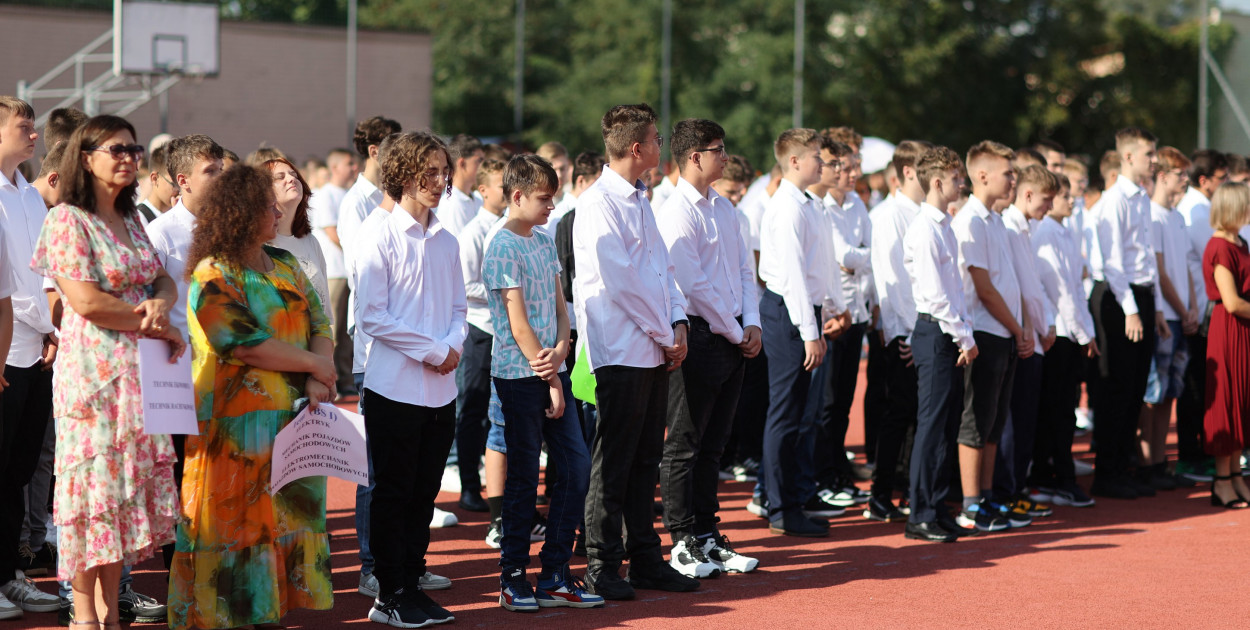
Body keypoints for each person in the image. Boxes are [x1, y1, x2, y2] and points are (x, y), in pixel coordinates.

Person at [31, 114, 184, 628]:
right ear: (85, 157)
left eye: (133, 149)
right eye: (115, 148)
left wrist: (161, 306)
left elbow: (161, 277)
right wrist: (154, 321)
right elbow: (86, 301)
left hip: (139, 375)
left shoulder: (133, 216)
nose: (127, 157)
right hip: (93, 380)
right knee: (91, 493)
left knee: (120, 496)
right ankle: (86, 618)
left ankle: (111, 618)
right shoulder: (67, 220)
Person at [167, 164, 335, 629]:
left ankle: (268, 614)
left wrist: (320, 374)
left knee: (280, 526)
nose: (277, 208)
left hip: (293, 420)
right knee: (234, 529)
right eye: (266, 204)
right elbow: (238, 341)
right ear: (240, 212)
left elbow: (321, 324)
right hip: (234, 428)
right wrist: (315, 366)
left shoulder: (285, 263)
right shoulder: (213, 272)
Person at [574, 103, 694, 599]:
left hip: (653, 346)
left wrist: (678, 319)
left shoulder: (641, 199)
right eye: (657, 138)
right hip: (621, 349)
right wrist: (665, 333)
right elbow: (621, 282)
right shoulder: (597, 202)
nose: (662, 146)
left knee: (647, 458)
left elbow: (662, 269)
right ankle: (602, 563)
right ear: (637, 147)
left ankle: (645, 557)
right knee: (615, 460)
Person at [356, 131, 462, 628]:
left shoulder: (448, 239)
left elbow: (459, 308)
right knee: (393, 492)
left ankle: (412, 584)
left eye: (443, 171)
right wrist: (435, 351)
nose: (439, 181)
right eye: (429, 172)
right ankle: (389, 592)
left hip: (441, 388)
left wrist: (454, 345)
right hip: (394, 387)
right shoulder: (378, 234)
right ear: (401, 175)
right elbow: (372, 315)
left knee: (425, 492)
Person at [486, 154, 601, 612]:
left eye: (553, 197)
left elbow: (558, 305)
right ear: (517, 196)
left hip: (552, 367)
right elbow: (516, 324)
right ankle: (512, 576)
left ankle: (555, 572)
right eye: (543, 198)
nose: (551, 205)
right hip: (519, 377)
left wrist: (563, 345)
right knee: (522, 477)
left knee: (577, 468)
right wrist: (551, 372)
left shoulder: (543, 240)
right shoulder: (501, 247)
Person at [656, 119, 761, 577]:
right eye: (719, 149)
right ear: (694, 156)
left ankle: (705, 533)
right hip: (699, 337)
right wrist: (735, 330)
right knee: (684, 443)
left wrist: (751, 322)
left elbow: (744, 271)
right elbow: (692, 285)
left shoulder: (725, 208)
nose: (726, 156)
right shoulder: (676, 210)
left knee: (714, 445)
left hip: (733, 335)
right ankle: (680, 539)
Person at [757, 127, 849, 537]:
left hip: (802, 311)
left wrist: (834, 307)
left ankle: (793, 497)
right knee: (786, 412)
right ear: (793, 161)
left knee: (799, 412)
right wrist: (810, 330)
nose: (822, 163)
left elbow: (819, 265)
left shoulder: (808, 204)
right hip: (787, 314)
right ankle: (780, 506)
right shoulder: (787, 207)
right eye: (815, 156)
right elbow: (792, 275)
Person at [903, 145, 978, 543]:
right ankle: (920, 513)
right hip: (936, 332)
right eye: (955, 178)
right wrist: (963, 334)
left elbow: (956, 291)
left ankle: (938, 505)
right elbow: (935, 295)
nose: (961, 183)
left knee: (947, 424)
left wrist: (964, 330)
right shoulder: (925, 229)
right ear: (936, 182)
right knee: (931, 425)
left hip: (949, 332)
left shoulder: (944, 225)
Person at [949, 141, 1024, 533]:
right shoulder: (972, 221)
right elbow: (984, 288)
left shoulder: (995, 219)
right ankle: (970, 503)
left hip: (1003, 332)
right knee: (976, 421)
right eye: (1008, 173)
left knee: (993, 421)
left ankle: (988, 495)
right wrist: (1017, 327)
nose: (1014, 180)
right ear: (982, 175)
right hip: (985, 330)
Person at [1089, 127, 1166, 499]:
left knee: (1136, 385)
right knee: (1116, 386)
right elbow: (1114, 263)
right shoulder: (1114, 201)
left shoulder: (1142, 199)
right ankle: (1108, 471)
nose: (1155, 160)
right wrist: (1132, 311)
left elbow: (1147, 257)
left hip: (1143, 296)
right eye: (1149, 154)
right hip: (1120, 299)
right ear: (1129, 157)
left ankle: (1124, 465)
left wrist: (1158, 309)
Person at [866, 140, 930, 523]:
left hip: (920, 329)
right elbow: (891, 282)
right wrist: (906, 334)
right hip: (905, 332)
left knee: (917, 415)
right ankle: (880, 492)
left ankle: (906, 487)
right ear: (908, 172)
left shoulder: (922, 213)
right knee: (899, 413)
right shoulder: (891, 215)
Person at [0, 97, 46, 622]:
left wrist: (51, 328)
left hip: (36, 350)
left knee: (17, 471)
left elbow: (44, 268)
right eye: (24, 127)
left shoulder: (30, 195)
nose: (33, 135)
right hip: (6, 350)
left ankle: (10, 574)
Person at [994, 164, 1059, 523]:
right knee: (1013, 422)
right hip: (1023, 335)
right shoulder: (1010, 227)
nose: (1048, 207)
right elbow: (1021, 288)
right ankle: (1007, 492)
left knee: (1025, 420)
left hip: (1030, 333)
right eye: (1046, 200)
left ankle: (1015, 488)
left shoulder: (1023, 229)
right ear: (1028, 194)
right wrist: (1033, 328)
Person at [1030, 173, 1098, 507]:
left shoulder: (1065, 231)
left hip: (1070, 332)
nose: (1072, 201)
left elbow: (1074, 289)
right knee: (1054, 411)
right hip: (1056, 333)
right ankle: (1051, 477)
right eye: (1064, 196)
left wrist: (1086, 332)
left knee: (1062, 410)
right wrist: (1084, 332)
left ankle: (1056, 475)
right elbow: (1059, 291)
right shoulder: (1044, 232)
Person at [812, 137, 873, 507]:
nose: (851, 174)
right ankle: (823, 475)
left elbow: (864, 255)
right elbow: (843, 256)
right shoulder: (821, 207)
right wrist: (856, 259)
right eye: (844, 167)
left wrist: (855, 260)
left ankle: (837, 469)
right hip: (832, 318)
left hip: (858, 313)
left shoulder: (857, 205)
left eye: (853, 167)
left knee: (844, 402)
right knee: (826, 404)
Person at [1139, 147, 1198, 490]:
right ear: (1162, 176)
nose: (1185, 180)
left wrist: (1190, 306)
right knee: (1154, 391)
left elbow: (1186, 266)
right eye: (1180, 174)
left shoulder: (1176, 216)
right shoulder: (1154, 215)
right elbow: (1159, 270)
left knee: (1170, 391)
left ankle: (1161, 462)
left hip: (1180, 315)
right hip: (1164, 315)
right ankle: (1147, 463)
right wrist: (1175, 306)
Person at [1174, 149, 1229, 482]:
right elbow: (1214, 256)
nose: (1226, 185)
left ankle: (1197, 452)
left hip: (1199, 306)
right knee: (1194, 385)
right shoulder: (1196, 210)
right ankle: (1190, 455)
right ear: (1205, 179)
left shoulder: (1201, 207)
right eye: (1222, 179)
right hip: (1198, 309)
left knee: (1198, 382)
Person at [457, 158, 507, 515]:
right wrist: (503, 290)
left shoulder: (513, 228)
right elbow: (465, 284)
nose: (507, 192)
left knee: (502, 411)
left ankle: (502, 488)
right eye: (501, 186)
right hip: (480, 329)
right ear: (483, 190)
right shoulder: (474, 232)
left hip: (505, 330)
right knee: (473, 407)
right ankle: (469, 486)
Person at [1202, 181, 1250, 508]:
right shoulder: (1219, 247)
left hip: (1244, 330)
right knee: (1228, 402)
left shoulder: (1240, 242)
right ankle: (1222, 480)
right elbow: (1231, 302)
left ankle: (1234, 476)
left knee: (1242, 402)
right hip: (1230, 329)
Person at [309, 148, 359, 398]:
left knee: (346, 331)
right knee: (332, 328)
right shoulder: (325, 194)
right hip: (334, 271)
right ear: (335, 167)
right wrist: (357, 249)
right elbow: (332, 232)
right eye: (349, 163)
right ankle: (332, 381)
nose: (354, 167)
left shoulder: (349, 193)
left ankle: (346, 377)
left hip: (348, 270)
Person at [261, 155, 331, 319]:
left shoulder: (310, 241)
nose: (291, 179)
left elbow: (325, 314)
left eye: (294, 175)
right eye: (280, 177)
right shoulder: (258, 245)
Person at [440, 134, 485, 236]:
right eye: (479, 160)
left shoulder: (477, 199)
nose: (483, 167)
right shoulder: (453, 203)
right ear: (462, 163)